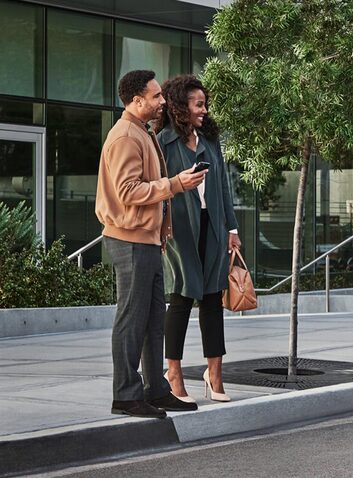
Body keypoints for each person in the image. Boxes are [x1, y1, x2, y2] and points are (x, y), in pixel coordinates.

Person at [96, 70, 206, 418]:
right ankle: (126, 396)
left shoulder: (142, 132)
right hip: (129, 241)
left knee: (153, 319)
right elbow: (128, 191)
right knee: (131, 319)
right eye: (156, 96)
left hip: (146, 240)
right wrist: (175, 184)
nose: (162, 101)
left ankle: (155, 389)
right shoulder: (126, 137)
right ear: (136, 99)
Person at [155, 75, 240, 403]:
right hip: (180, 231)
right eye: (198, 104)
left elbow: (223, 187)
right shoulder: (162, 141)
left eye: (205, 104)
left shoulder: (209, 140)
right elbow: (159, 188)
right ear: (180, 106)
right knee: (180, 298)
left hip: (213, 227)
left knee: (211, 300)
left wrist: (231, 229)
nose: (204, 110)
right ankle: (173, 372)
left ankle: (214, 372)